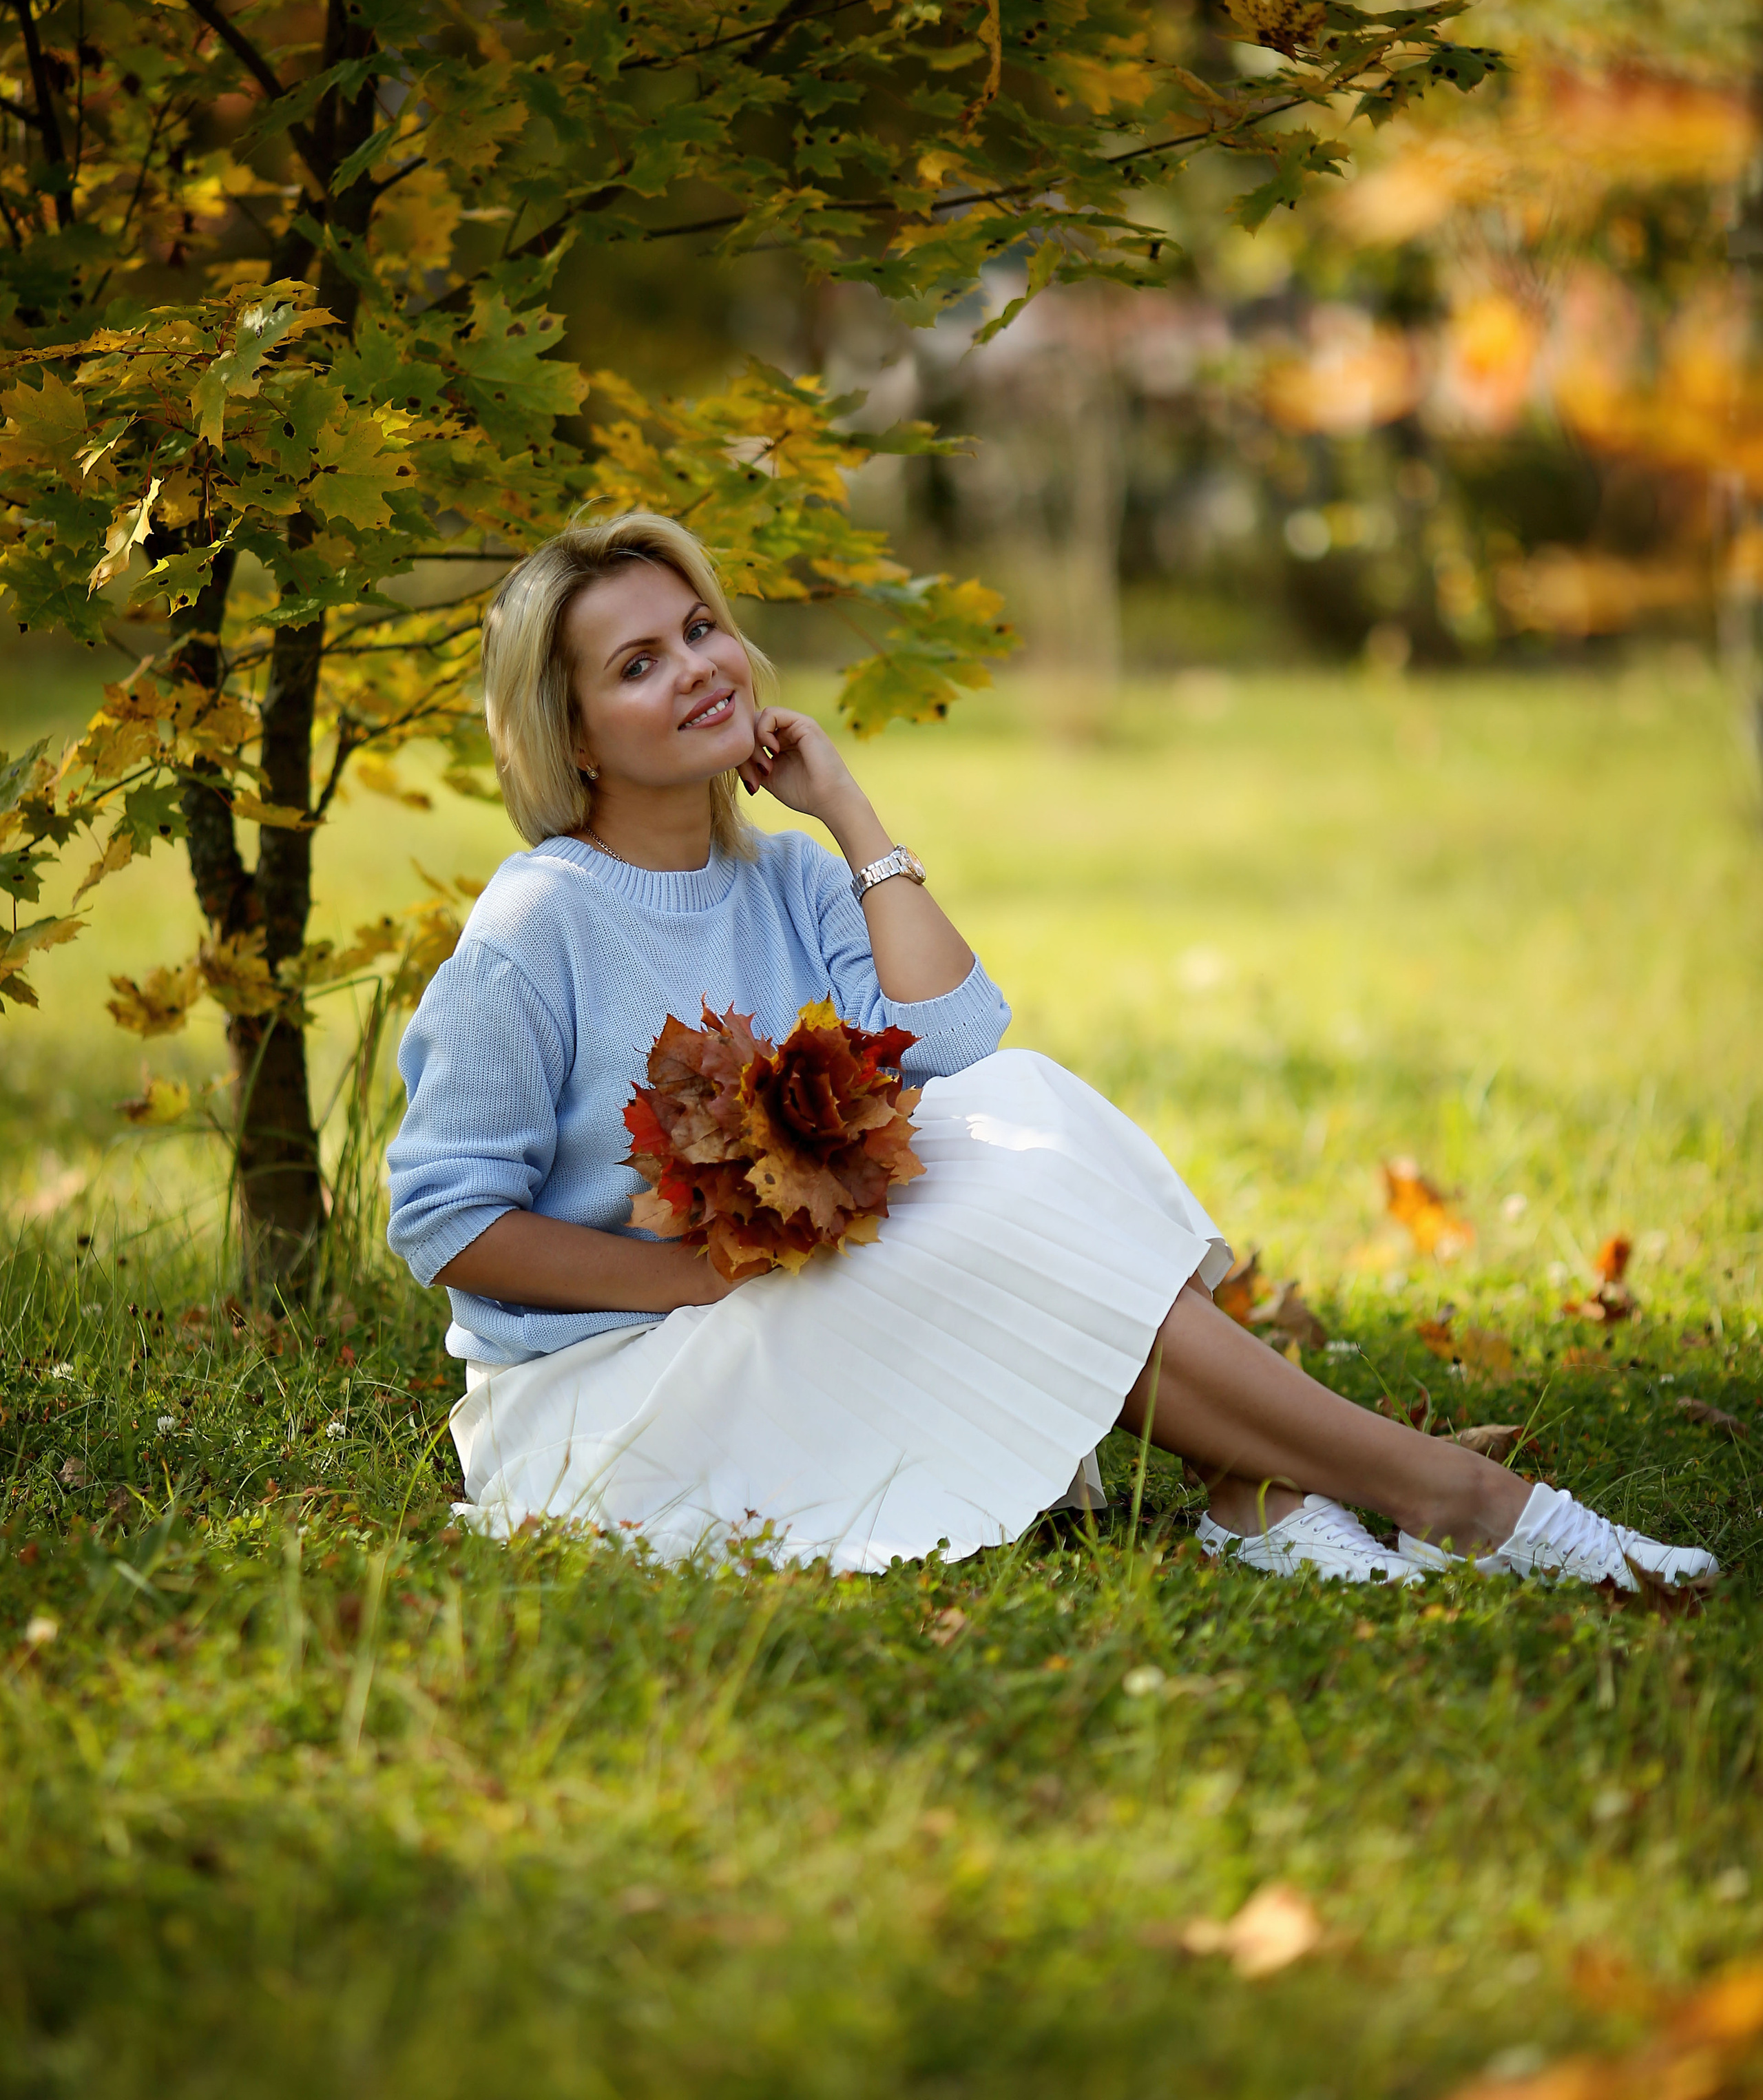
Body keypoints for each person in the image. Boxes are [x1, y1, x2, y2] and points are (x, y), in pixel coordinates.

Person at [387, 513, 1718, 1590]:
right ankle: (1438, 1497)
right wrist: (688, 1278)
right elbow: (447, 1221)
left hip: (770, 1313)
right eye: (638, 665)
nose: (697, 669)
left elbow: (963, 1049)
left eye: (700, 629)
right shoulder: (541, 922)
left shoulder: (791, 881)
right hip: (607, 1400)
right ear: (569, 737)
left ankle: (1270, 1490)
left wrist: (850, 812)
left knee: (1010, 1109)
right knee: (977, 1209)